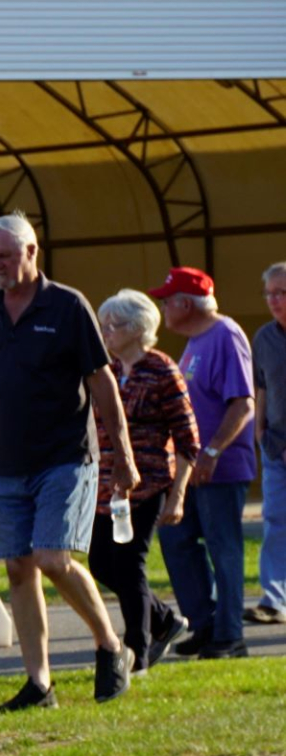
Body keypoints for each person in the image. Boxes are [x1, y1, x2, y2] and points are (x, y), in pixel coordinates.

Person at [0, 213, 140, 709]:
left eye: (6, 257)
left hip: (65, 458)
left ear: (32, 252)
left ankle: (110, 645)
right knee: (17, 567)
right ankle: (39, 684)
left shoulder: (68, 306)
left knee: (54, 557)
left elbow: (102, 382)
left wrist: (123, 454)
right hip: (9, 463)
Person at [151, 267, 257, 660]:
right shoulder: (197, 340)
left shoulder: (224, 335)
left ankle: (230, 635)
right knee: (176, 539)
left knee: (222, 547)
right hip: (190, 467)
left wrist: (212, 452)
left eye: (167, 299)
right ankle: (205, 622)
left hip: (218, 466)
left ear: (185, 303)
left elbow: (243, 403)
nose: (163, 307)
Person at [91, 289, 197, 669]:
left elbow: (187, 439)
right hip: (107, 485)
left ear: (137, 330)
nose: (105, 332)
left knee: (130, 562)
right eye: (103, 325)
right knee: (101, 562)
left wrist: (178, 495)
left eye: (112, 326)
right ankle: (165, 620)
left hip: (148, 482)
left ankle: (137, 648)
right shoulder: (108, 370)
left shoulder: (162, 370)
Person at [254, 262, 286, 624]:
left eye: (281, 292)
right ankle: (274, 600)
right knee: (275, 519)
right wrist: (259, 430)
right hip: (276, 445)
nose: (273, 300)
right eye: (268, 294)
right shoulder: (264, 337)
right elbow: (261, 385)